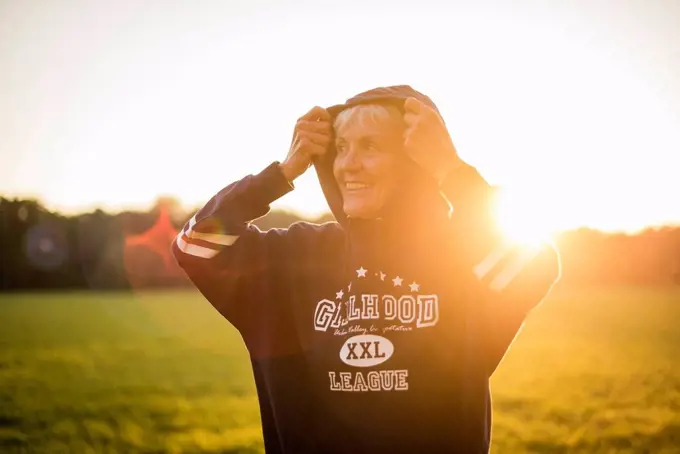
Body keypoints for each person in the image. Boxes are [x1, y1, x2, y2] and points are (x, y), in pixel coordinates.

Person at [172, 85, 560, 453]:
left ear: (416, 164)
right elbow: (195, 245)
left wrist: (451, 169)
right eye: (340, 148)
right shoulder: (296, 256)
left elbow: (532, 266)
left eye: (370, 147)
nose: (347, 166)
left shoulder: (459, 256)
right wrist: (281, 174)